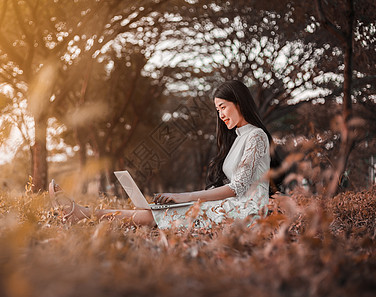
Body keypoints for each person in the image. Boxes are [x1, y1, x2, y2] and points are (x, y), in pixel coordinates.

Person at [49, 80, 272, 229]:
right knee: (162, 211)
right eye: (217, 110)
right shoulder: (238, 138)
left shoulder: (256, 136)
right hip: (235, 206)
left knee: (166, 212)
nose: (221, 115)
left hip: (247, 212)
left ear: (239, 102)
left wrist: (185, 196)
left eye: (223, 107)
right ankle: (83, 212)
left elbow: (237, 188)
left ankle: (84, 213)